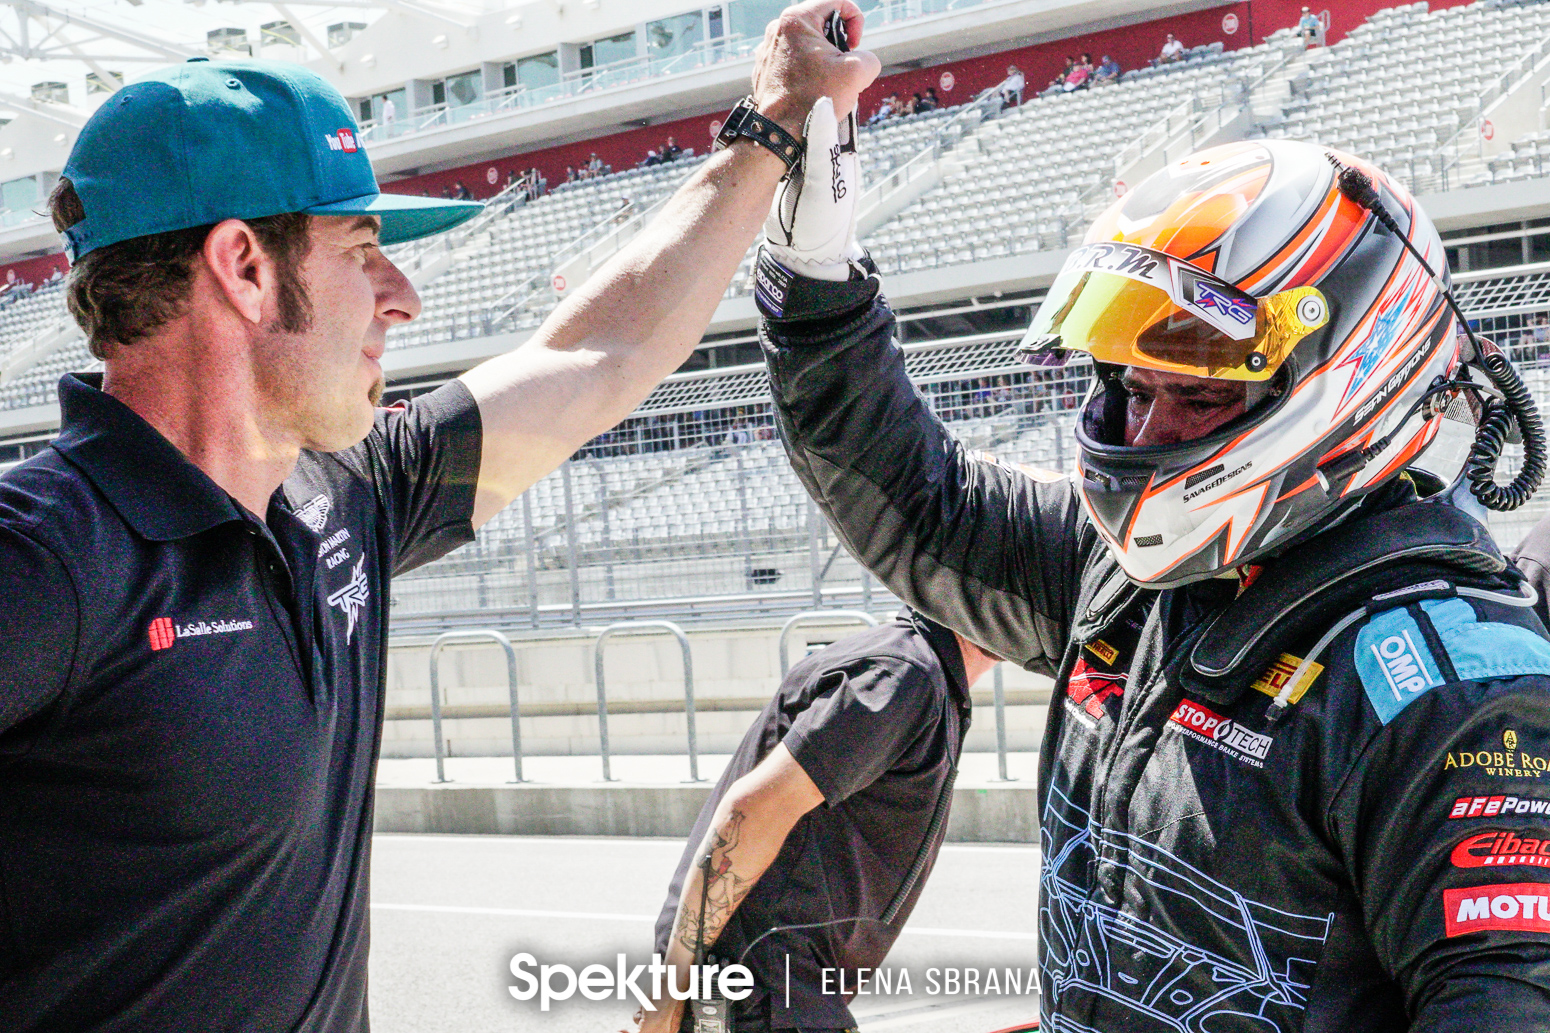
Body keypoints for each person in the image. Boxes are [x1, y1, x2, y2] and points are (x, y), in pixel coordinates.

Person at [0, 9, 879, 1030]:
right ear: (242, 266)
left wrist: (770, 124)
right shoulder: (44, 554)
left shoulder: (342, 497)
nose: (402, 296)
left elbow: (595, 356)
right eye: (362, 247)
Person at [750, 132, 1550, 1029]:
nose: (1149, 430)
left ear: (1349, 380)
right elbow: (914, 498)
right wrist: (813, 263)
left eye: (1202, 396)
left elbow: (1503, 1000)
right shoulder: (1127, 571)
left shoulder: (1455, 687)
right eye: (1134, 387)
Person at [638, 612, 1000, 1032]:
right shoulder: (902, 676)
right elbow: (752, 812)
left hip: (774, 982)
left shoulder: (917, 668)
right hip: (760, 984)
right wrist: (668, 992)